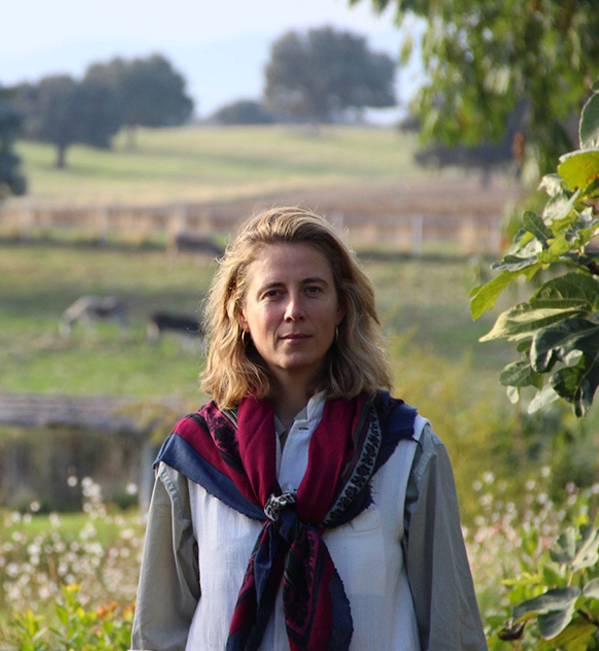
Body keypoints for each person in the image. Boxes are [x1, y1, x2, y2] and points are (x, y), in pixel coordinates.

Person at [130, 207, 486, 651]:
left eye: (313, 290)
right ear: (241, 313)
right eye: (273, 293)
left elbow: (452, 634)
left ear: (341, 307)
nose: (294, 310)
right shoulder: (194, 459)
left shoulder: (406, 449)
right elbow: (157, 635)